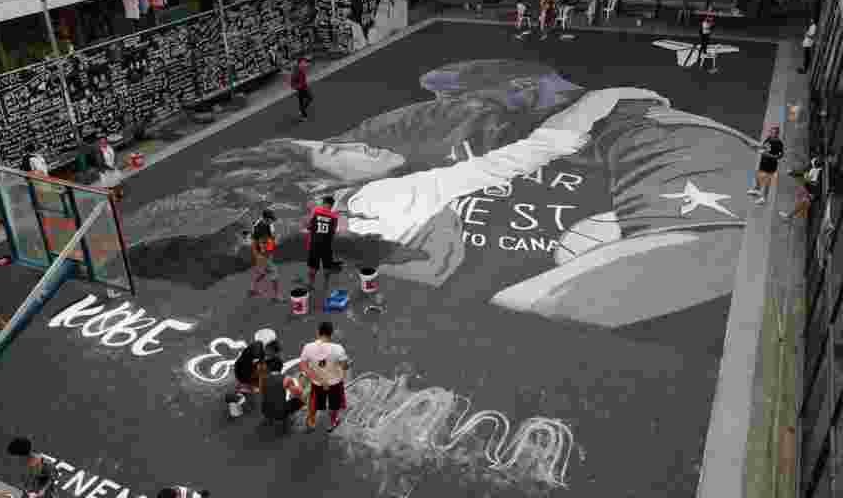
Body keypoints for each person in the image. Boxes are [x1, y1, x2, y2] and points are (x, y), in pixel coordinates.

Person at [121, 58, 763, 328]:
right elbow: (518, 159)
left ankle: (325, 290)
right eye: (339, 148)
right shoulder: (389, 196)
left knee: (323, 263)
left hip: (379, 256)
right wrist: (594, 106)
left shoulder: (340, 200)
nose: (360, 144)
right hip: (445, 283)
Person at [299, 321, 350, 432]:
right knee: (334, 404)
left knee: (314, 400)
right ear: (331, 334)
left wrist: (318, 379)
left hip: (317, 384)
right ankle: (332, 423)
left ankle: (311, 420)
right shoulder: (338, 349)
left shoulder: (308, 347)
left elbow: (303, 366)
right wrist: (345, 364)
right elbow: (345, 366)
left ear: (318, 332)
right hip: (335, 383)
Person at [259, 341, 305, 433]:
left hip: (265, 410)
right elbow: (298, 393)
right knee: (300, 400)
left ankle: (269, 418)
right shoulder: (286, 379)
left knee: (271, 399)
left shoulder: (262, 378)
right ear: (280, 367)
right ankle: (285, 420)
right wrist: (300, 382)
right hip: (279, 413)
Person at [306, 196, 341, 292]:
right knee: (327, 266)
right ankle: (325, 285)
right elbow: (333, 231)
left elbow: (308, 226)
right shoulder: (334, 216)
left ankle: (311, 284)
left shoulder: (316, 211)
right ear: (332, 205)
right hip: (327, 245)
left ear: (324, 203)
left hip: (315, 244)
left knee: (313, 266)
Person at [249, 209, 283, 302]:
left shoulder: (263, 223)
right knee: (275, 274)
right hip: (263, 254)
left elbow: (268, 239)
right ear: (266, 219)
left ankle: (253, 288)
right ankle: (276, 296)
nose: (272, 221)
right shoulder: (260, 228)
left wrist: (273, 239)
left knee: (262, 273)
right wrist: (274, 242)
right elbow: (262, 245)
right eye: (271, 219)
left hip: (261, 253)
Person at [752, 126, 784, 205]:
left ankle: (763, 198)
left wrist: (766, 154)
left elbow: (779, 156)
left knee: (767, 182)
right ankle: (757, 190)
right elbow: (763, 147)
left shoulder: (779, 144)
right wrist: (756, 147)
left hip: (771, 166)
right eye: (771, 132)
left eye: (774, 133)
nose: (772, 134)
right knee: (758, 175)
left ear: (777, 134)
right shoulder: (768, 139)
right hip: (763, 162)